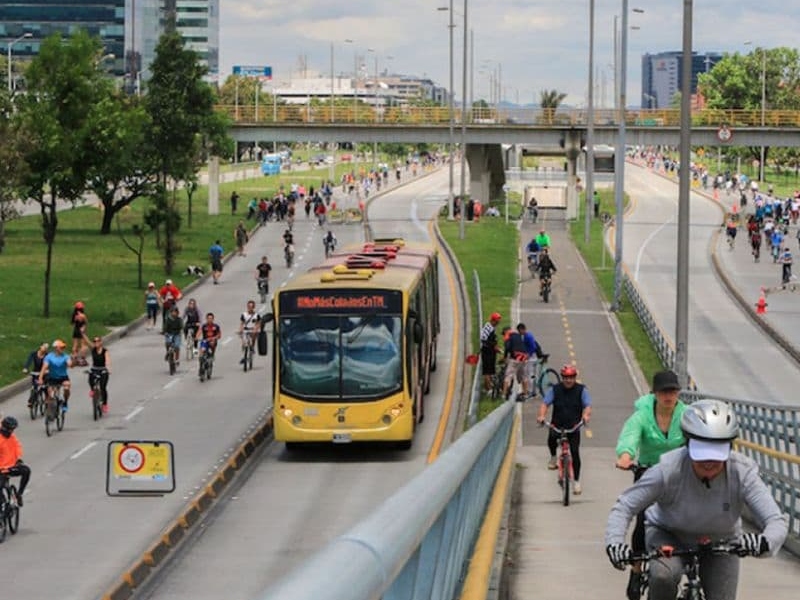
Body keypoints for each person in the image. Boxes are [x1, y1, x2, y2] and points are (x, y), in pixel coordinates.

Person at [605, 400, 788, 600]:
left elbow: (775, 520)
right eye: (701, 454)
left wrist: (764, 543)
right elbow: (625, 506)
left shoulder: (742, 472)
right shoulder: (668, 470)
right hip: (669, 536)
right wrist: (615, 543)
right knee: (664, 576)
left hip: (722, 542)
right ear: (687, 443)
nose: (709, 463)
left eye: (717, 455)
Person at [614, 370, 688, 600]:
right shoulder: (643, 415)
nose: (669, 395)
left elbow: (698, 437)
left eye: (673, 391)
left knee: (688, 518)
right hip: (648, 473)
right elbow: (630, 436)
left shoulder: (686, 415)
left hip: (678, 476)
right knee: (643, 521)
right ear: (654, 393)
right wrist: (626, 456)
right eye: (664, 391)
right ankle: (636, 571)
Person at [536, 364, 592, 494]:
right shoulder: (555, 390)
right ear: (562, 378)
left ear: (575, 377)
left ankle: (577, 482)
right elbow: (545, 404)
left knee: (575, 453)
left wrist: (585, 416)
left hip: (573, 427)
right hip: (557, 425)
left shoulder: (581, 390)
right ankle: (553, 457)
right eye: (566, 377)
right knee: (551, 439)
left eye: (571, 377)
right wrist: (542, 416)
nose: (568, 380)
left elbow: (587, 405)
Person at [0, 416, 31, 506]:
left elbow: (17, 447)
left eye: (12, 430)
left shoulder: (12, 437)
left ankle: (19, 494)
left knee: (26, 471)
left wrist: (18, 459)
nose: (11, 432)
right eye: (10, 430)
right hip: (1, 469)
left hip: (12, 467)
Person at [38, 339, 73, 411]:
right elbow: (44, 368)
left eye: (63, 348)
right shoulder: (49, 357)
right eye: (61, 347)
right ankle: (51, 412)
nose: (63, 349)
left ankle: (65, 402)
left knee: (67, 388)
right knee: (51, 395)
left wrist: (72, 363)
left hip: (63, 377)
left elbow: (69, 364)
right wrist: (40, 378)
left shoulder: (65, 356)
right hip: (52, 377)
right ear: (56, 348)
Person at [502, 326, 529, 400]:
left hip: (515, 357)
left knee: (508, 375)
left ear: (505, 332)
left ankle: (503, 395)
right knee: (524, 376)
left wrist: (505, 357)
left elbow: (507, 347)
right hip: (524, 357)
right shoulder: (517, 335)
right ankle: (525, 394)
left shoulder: (508, 335)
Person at [480, 312, 502, 393]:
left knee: (488, 371)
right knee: (488, 371)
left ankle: (486, 387)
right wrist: (495, 347)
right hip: (488, 353)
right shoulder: (490, 329)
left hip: (488, 351)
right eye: (497, 322)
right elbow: (487, 341)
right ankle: (488, 389)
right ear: (493, 321)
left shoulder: (488, 326)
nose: (498, 323)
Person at [89, 336, 112, 413]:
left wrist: (108, 369)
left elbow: (107, 360)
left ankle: (105, 404)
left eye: (98, 341)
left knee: (102, 387)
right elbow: (86, 341)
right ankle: (92, 389)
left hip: (103, 370)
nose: (96, 343)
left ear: (101, 342)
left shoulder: (105, 351)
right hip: (95, 369)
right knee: (90, 376)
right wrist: (82, 333)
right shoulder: (93, 350)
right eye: (94, 341)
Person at [22, 342, 49, 407]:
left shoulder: (47, 355)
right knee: (34, 387)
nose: (45, 348)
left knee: (45, 386)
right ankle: (31, 401)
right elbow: (29, 361)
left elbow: (49, 363)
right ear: (40, 346)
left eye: (46, 348)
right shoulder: (33, 354)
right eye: (44, 346)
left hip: (45, 372)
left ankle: (47, 398)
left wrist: (48, 370)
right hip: (35, 372)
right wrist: (26, 368)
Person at [70, 301, 89, 366]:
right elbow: (86, 323)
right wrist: (84, 328)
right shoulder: (83, 315)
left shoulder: (74, 315)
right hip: (81, 330)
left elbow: (73, 323)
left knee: (75, 345)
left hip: (76, 330)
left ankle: (74, 357)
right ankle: (82, 358)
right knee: (83, 345)